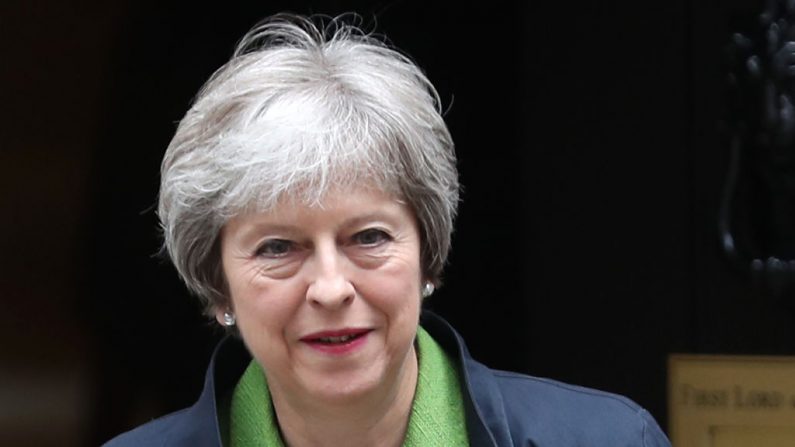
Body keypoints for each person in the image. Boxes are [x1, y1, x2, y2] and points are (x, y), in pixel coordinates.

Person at [104, 13, 671, 447]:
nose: (331, 288)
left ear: (428, 254)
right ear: (217, 284)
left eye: (368, 237)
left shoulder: (609, 438)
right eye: (278, 247)